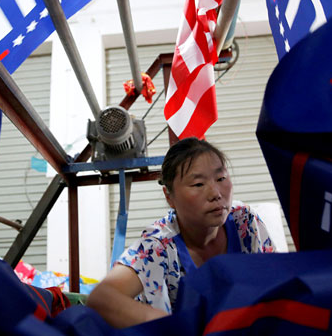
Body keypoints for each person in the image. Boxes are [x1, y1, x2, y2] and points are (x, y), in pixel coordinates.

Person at [86, 137, 276, 328]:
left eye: (221, 179)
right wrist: (173, 326)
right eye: (198, 184)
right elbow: (101, 298)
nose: (216, 193)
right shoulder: (157, 246)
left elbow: (274, 283)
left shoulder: (244, 222)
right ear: (169, 197)